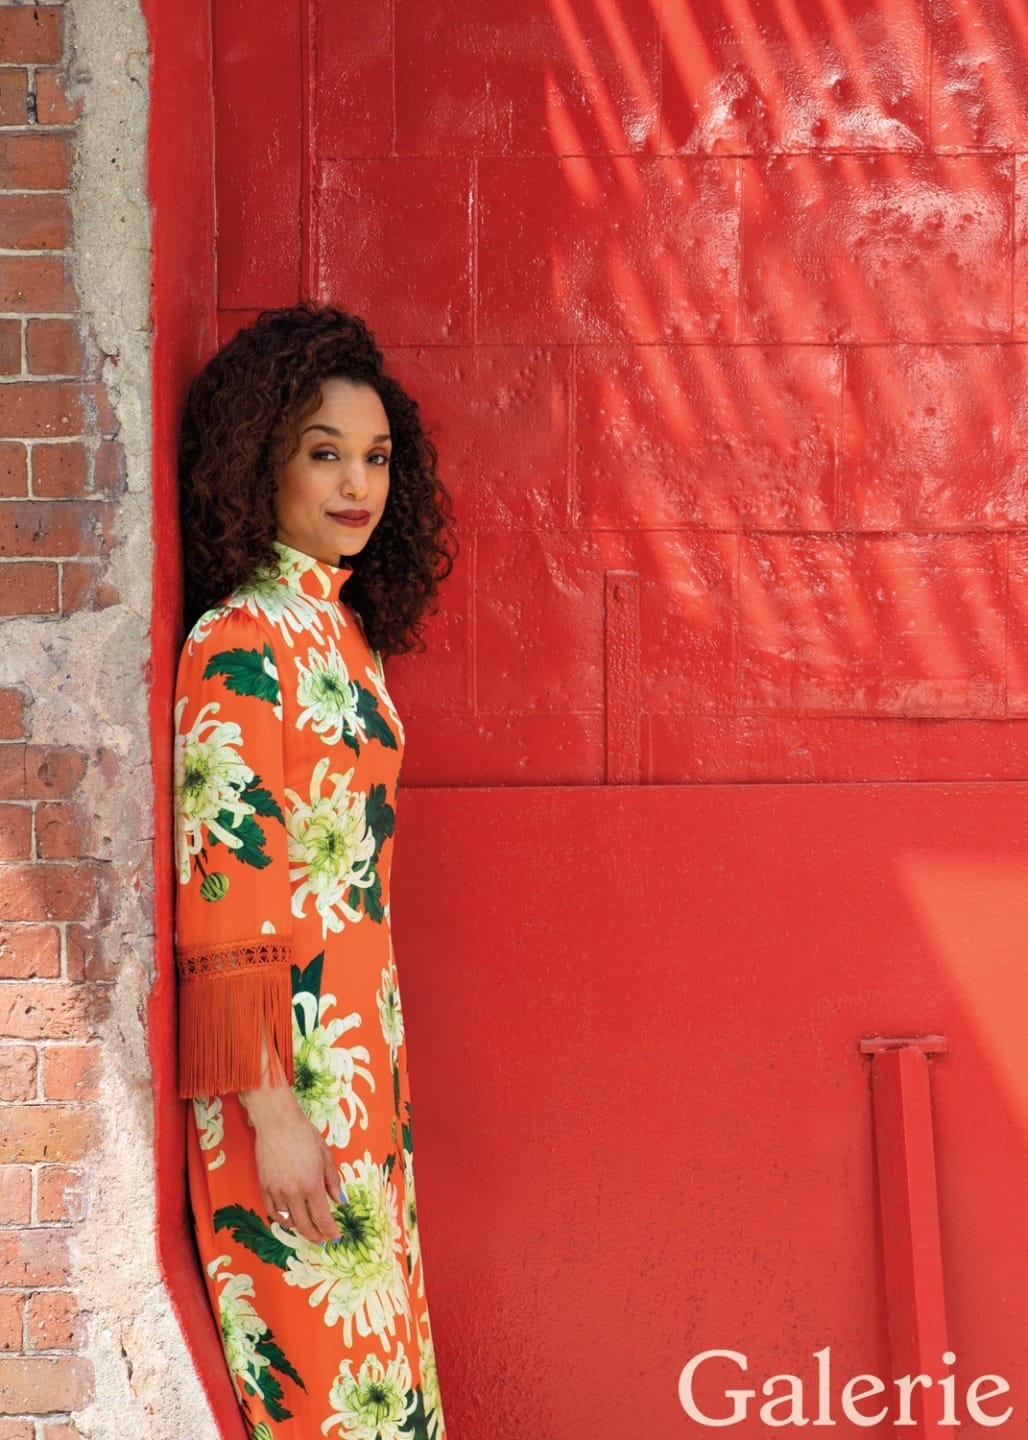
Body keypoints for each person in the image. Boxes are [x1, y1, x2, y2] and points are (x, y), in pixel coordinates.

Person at [172, 303, 455, 1439]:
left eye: (376, 458)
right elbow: (222, 884)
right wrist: (272, 1112)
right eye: (324, 453)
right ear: (261, 461)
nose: (357, 485)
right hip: (279, 1079)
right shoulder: (237, 641)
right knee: (335, 1392)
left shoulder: (342, 633)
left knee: (388, 1377)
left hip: (360, 1058)